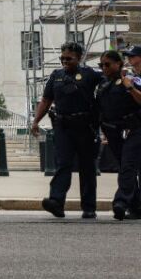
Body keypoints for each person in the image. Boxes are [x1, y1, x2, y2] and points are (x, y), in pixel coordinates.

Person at [31, 42, 101, 219]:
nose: (64, 61)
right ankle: (56, 202)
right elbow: (46, 100)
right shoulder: (56, 75)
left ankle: (89, 207)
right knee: (63, 164)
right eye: (62, 58)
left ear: (79, 58)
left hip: (85, 127)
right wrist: (36, 121)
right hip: (63, 127)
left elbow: (107, 88)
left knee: (87, 167)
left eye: (68, 58)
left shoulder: (90, 74)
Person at [95, 50, 141, 220]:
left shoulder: (132, 79)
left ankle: (120, 202)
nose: (104, 68)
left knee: (127, 165)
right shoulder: (103, 84)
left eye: (108, 64)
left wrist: (128, 86)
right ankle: (136, 207)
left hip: (135, 128)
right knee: (125, 166)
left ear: (118, 64)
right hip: (113, 130)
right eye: (101, 65)